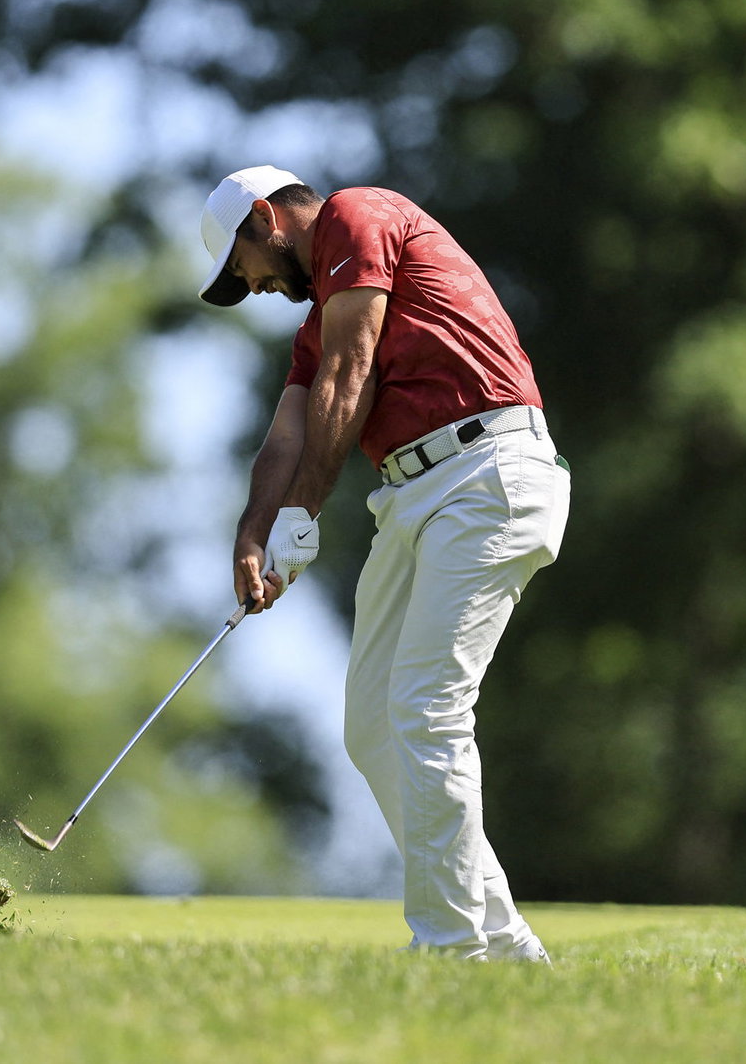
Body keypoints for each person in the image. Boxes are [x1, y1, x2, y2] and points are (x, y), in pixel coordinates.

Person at [197, 165, 570, 961]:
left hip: (486, 471)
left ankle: (450, 948)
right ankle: (503, 944)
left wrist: (305, 512)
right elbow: (288, 435)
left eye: (242, 267)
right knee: (374, 723)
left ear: (267, 218)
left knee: (427, 709)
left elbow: (351, 371)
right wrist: (254, 532)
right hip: (415, 497)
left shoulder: (361, 215)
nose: (253, 286)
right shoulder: (314, 323)